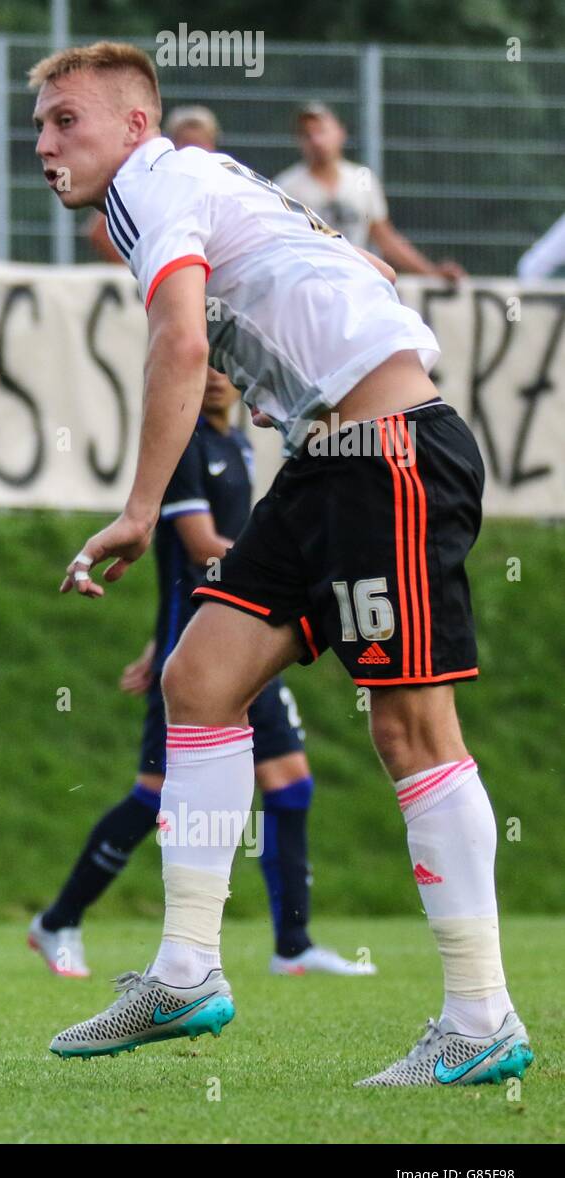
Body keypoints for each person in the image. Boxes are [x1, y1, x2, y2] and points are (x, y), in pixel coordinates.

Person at [31, 41, 530, 1087]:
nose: (43, 145)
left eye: (64, 120)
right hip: (329, 463)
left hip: (387, 455)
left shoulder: (160, 181)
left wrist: (137, 511)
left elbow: (176, 340)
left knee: (410, 727)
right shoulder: (200, 184)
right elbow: (369, 271)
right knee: (198, 678)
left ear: (133, 126)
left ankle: (480, 1015)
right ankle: (185, 970)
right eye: (36, 125)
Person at [29, 368, 372, 980]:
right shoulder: (184, 445)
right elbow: (200, 547)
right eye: (203, 364)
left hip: (243, 636)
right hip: (197, 656)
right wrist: (300, 571)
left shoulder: (240, 444)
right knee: (155, 794)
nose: (214, 378)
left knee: (290, 783)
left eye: (224, 365)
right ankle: (59, 919)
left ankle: (292, 944)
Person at [275, 102, 465, 281]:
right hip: (312, 280)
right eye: (307, 135)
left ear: (340, 133)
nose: (316, 140)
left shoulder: (361, 179)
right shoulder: (287, 187)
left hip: (359, 279)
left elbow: (384, 236)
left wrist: (430, 273)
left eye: (321, 131)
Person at [88, 105, 217, 264]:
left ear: (212, 145)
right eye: (186, 143)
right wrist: (139, 270)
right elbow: (100, 232)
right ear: (172, 144)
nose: (192, 150)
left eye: (199, 143)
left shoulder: (222, 182)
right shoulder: (153, 179)